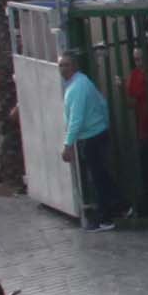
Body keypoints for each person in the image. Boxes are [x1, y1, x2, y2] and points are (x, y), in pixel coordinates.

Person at [58, 53, 116, 231]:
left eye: (66, 65)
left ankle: (105, 218)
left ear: (74, 66)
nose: (63, 69)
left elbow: (76, 118)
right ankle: (121, 205)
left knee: (98, 179)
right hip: (96, 133)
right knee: (101, 176)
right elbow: (102, 103)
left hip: (91, 137)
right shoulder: (81, 82)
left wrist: (68, 144)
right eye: (60, 65)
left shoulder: (77, 87)